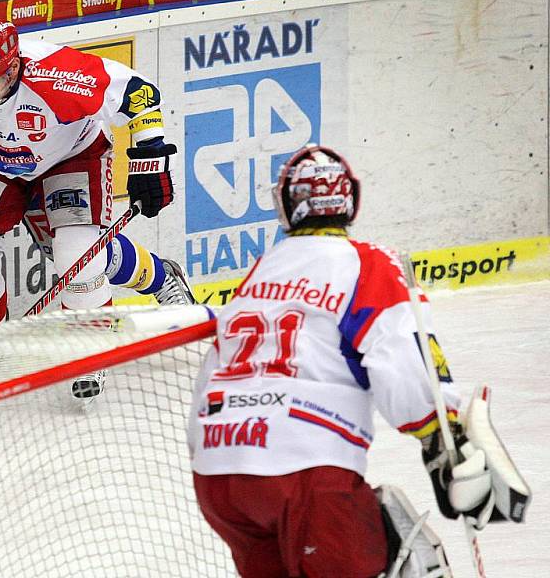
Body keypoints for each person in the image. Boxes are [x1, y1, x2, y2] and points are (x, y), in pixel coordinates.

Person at [187, 144, 531, 577]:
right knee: (409, 565)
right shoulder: (368, 263)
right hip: (305, 472)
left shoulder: (262, 271)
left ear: (287, 206)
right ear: (350, 199)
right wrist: (440, 438)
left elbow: (213, 367)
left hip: (220, 477)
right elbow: (403, 359)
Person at [0, 18, 192, 401]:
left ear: (13, 68)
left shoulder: (58, 76)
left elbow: (140, 94)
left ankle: (90, 353)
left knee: (78, 258)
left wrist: (150, 158)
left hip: (73, 156)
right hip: (0, 163)